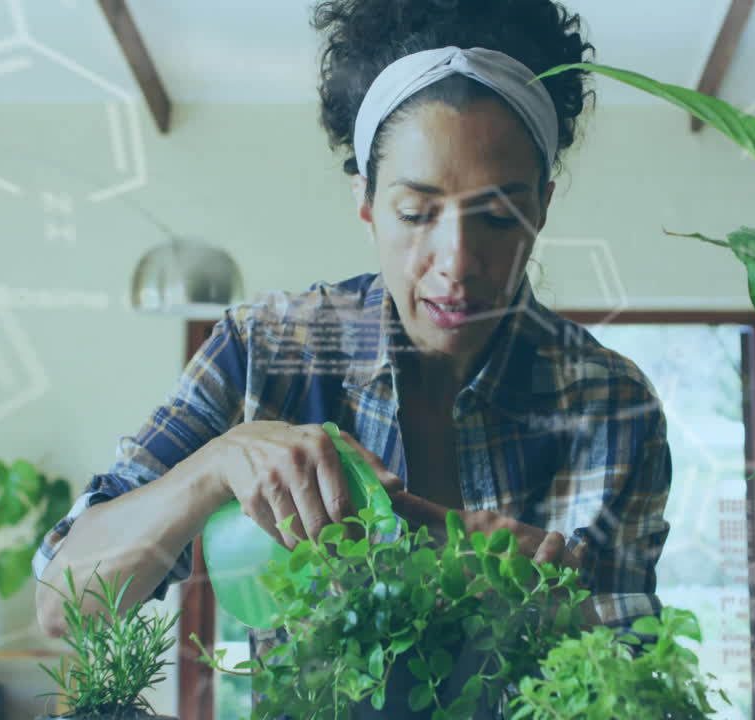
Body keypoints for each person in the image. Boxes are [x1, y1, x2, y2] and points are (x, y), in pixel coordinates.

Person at [34, 0, 672, 714]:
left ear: (543, 206)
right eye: (415, 211)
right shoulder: (267, 351)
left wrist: (503, 578)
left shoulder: (610, 404)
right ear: (365, 201)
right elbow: (66, 605)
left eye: (498, 216)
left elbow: (632, 678)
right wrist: (217, 465)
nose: (455, 263)